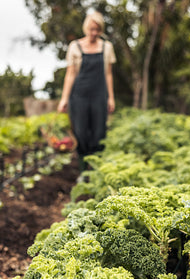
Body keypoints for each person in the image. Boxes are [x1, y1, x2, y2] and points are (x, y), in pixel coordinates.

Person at [57, 11, 116, 172]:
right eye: (91, 29)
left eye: (97, 30)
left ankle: (96, 171)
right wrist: (64, 98)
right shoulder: (75, 47)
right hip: (79, 96)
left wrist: (111, 97)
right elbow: (70, 74)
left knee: (98, 133)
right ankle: (83, 171)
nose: (94, 33)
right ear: (86, 28)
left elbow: (108, 74)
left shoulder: (107, 47)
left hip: (99, 95)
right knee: (81, 133)